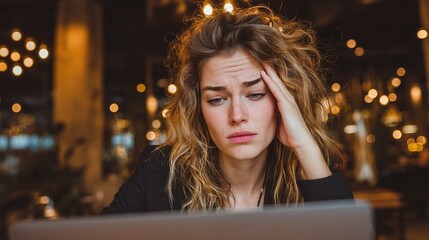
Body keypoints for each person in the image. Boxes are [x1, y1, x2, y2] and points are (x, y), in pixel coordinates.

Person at [101, 5, 353, 214]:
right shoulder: (159, 172)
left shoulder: (311, 170)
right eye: (217, 99)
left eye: (255, 95)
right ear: (198, 107)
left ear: (283, 101)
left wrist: (304, 145)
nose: (237, 116)